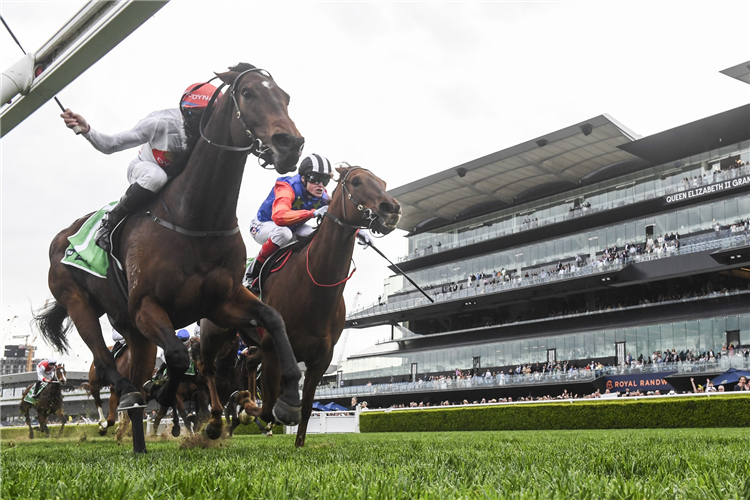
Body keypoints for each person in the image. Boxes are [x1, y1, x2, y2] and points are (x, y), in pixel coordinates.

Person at [60, 81, 219, 252]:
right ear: (184, 111)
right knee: (157, 177)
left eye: (209, 116)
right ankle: (110, 221)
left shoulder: (215, 132)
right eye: (193, 115)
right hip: (145, 169)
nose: (202, 123)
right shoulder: (160, 122)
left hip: (177, 180)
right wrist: (87, 130)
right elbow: (111, 145)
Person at [245, 153, 333, 283]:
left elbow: (338, 217)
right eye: (315, 179)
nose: (320, 185)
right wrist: (311, 213)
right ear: (303, 178)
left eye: (325, 180)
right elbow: (279, 217)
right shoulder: (287, 186)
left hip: (293, 227)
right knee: (283, 233)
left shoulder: (322, 194)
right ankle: (251, 274)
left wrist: (358, 232)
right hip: (263, 225)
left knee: (315, 236)